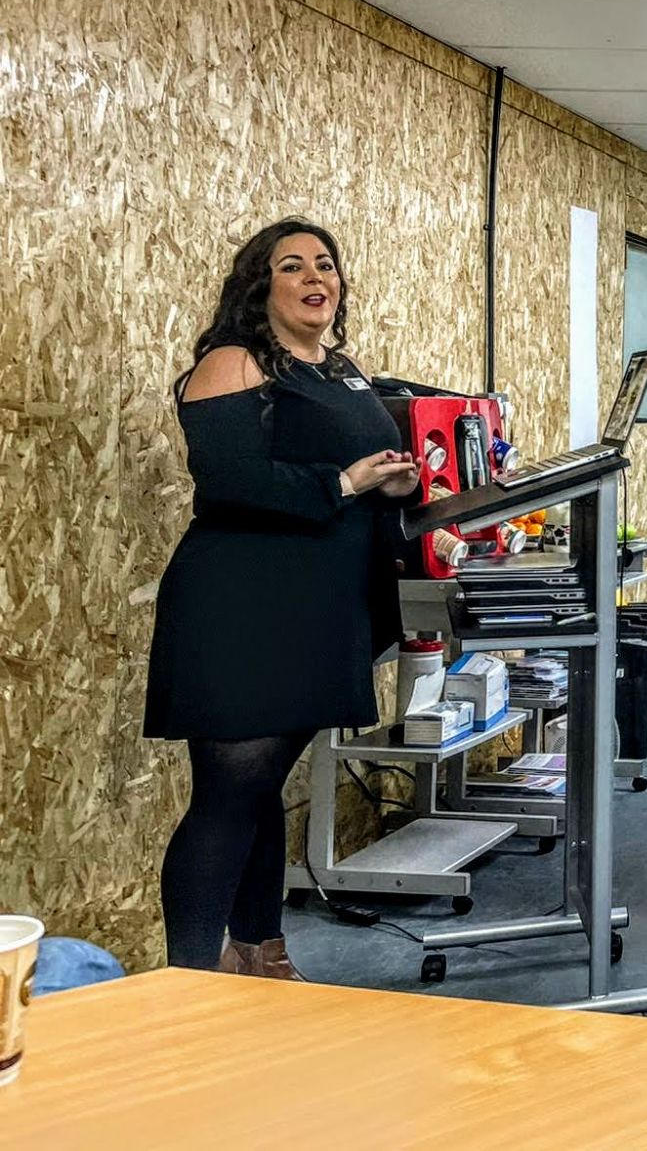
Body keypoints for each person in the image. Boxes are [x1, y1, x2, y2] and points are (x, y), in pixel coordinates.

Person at [147, 220, 420, 977]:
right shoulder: (233, 363)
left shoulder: (340, 369)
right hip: (243, 608)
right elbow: (232, 482)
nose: (313, 276)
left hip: (319, 611)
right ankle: (188, 984)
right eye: (291, 265)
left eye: (325, 264)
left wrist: (388, 483)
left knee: (262, 786)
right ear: (259, 286)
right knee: (230, 794)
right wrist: (347, 482)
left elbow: (354, 472)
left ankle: (260, 955)